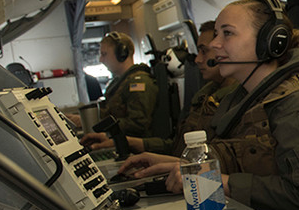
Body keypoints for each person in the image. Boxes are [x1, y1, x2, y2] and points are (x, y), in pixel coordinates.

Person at [119, 0, 299, 210]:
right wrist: (181, 165)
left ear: (270, 42)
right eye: (216, 34)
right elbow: (250, 155)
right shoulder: (248, 98)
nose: (215, 44)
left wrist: (221, 183)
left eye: (227, 33)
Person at [83, 21, 236, 156]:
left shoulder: (234, 100)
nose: (197, 59)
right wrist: (124, 141)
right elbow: (177, 147)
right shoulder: (205, 95)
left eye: (204, 51)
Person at [77, 31, 158, 142]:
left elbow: (138, 125)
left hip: (134, 145)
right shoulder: (120, 82)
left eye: (104, 54)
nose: (101, 59)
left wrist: (101, 125)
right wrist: (84, 119)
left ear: (122, 54)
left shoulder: (139, 84)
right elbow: (109, 112)